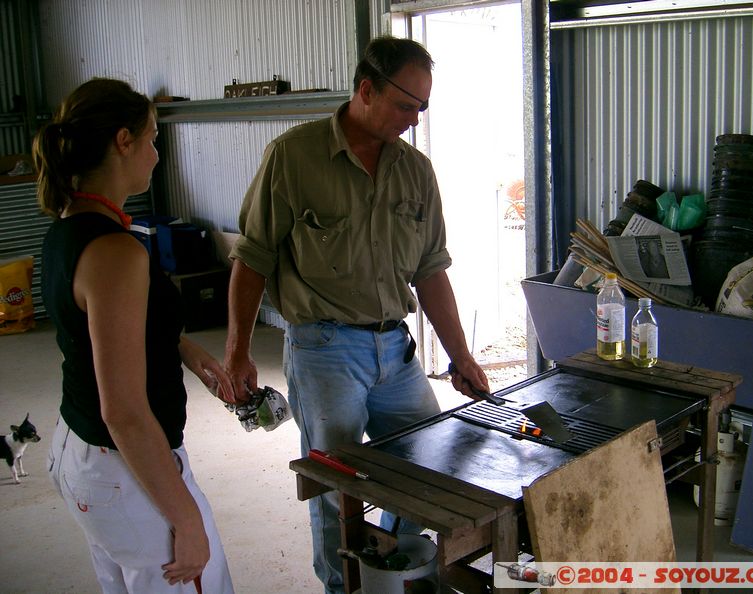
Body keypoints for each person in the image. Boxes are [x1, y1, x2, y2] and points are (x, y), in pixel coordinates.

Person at [224, 36, 490, 593]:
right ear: (366, 89)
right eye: (405, 105)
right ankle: (342, 585)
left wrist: (461, 355)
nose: (414, 120)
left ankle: (391, 569)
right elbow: (252, 259)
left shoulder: (416, 172)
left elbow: (431, 271)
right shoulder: (293, 158)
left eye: (423, 107)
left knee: (428, 465)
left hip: (396, 349)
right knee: (336, 485)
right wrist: (237, 352)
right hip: (323, 349)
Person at [35, 78, 236, 594]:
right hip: (127, 470)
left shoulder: (68, 228)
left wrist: (180, 345)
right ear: (123, 141)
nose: (156, 154)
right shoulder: (115, 252)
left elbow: (101, 329)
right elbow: (123, 411)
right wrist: (186, 519)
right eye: (152, 138)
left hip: (82, 451)